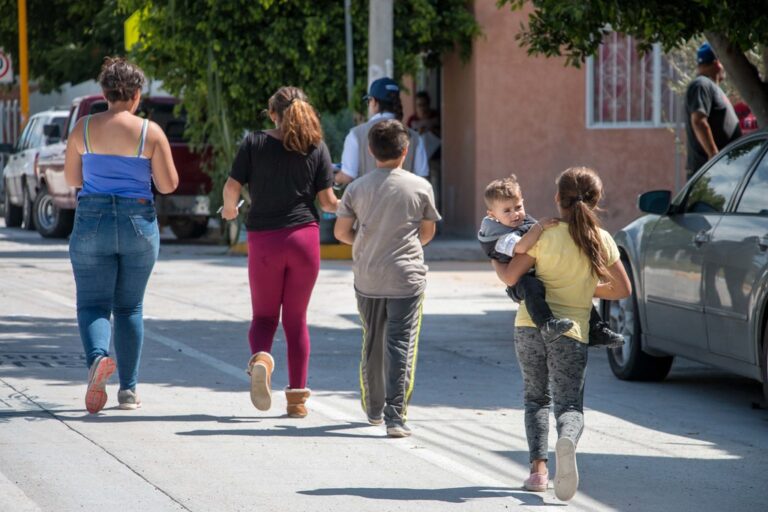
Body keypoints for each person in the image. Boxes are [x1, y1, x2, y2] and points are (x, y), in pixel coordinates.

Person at [491, 167, 631, 501]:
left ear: (557, 199)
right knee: (569, 406)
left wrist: (495, 264)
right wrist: (585, 289)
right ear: (596, 201)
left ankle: (538, 472)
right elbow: (622, 289)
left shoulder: (542, 235)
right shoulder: (601, 238)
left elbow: (512, 278)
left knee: (535, 399)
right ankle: (566, 439)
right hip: (572, 332)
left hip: (529, 327)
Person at [64, 57, 179, 413]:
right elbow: (169, 184)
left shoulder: (83, 127)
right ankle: (128, 390)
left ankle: (98, 360)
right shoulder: (150, 131)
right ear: (137, 94)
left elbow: (72, 180)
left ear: (104, 92)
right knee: (129, 306)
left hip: (92, 219)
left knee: (92, 303)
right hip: (137, 224)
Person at [221, 86, 338, 418]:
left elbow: (232, 187)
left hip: (265, 241)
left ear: (273, 113)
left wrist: (230, 210)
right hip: (304, 240)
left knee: (264, 317)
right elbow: (328, 203)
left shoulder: (254, 143)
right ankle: (297, 400)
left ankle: (261, 358)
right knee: (296, 320)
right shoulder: (316, 147)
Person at [334, 119, 441, 438]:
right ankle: (396, 417)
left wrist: (370, 241)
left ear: (370, 151)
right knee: (401, 344)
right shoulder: (420, 187)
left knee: (372, 339)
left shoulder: (356, 187)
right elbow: (427, 233)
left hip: (367, 276)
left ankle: (373, 410)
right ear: (405, 151)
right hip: (406, 278)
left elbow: (341, 232)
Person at [478, 175, 624, 348]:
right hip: (522, 283)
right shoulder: (497, 233)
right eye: (507, 211)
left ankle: (598, 330)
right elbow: (522, 248)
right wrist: (539, 228)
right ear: (492, 215)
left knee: (576, 290)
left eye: (518, 207)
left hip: (537, 276)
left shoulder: (523, 224)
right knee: (532, 286)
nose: (515, 214)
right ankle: (547, 324)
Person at [335, 77, 429, 185]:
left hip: (367, 201)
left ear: (374, 102)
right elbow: (423, 178)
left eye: (368, 101)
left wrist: (334, 179)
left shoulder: (356, 135)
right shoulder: (415, 137)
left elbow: (347, 176)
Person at [685, 42, 742, 179]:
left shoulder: (709, 86)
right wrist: (714, 157)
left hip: (722, 172)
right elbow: (699, 121)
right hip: (710, 175)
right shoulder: (702, 84)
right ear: (717, 63)